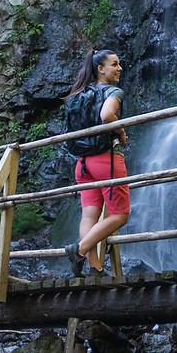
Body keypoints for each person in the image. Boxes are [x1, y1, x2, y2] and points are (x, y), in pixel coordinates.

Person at [63, 49, 130, 276]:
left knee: (89, 216)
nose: (119, 68)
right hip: (106, 160)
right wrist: (121, 132)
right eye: (115, 64)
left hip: (83, 164)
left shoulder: (81, 94)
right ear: (101, 69)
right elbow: (107, 115)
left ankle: (95, 268)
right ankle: (80, 250)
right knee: (120, 215)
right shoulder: (113, 91)